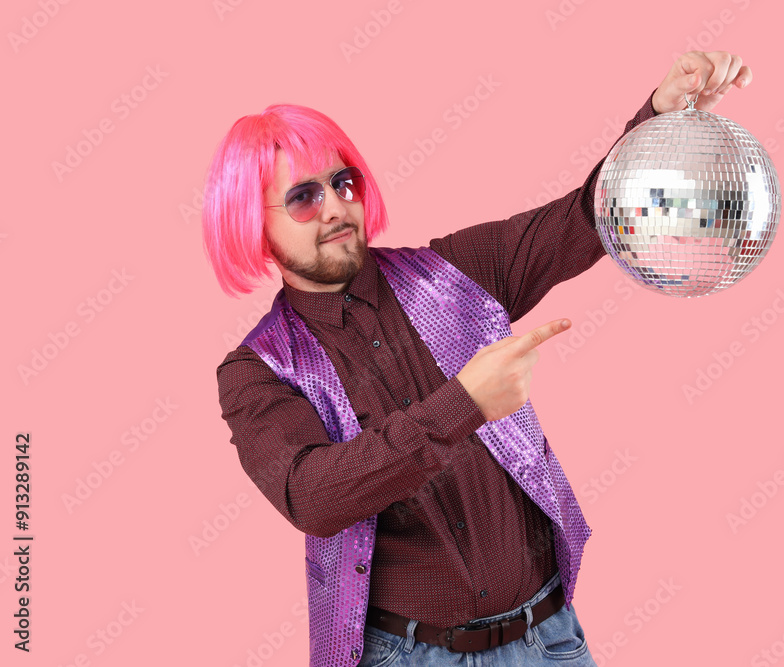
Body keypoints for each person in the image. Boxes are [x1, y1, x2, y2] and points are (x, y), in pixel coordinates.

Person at [204, 50, 752, 667]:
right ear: (254, 223)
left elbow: (578, 220)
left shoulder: (454, 273)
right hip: (409, 655)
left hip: (550, 637)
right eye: (303, 197)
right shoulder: (256, 372)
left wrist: (655, 122)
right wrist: (465, 404)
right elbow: (315, 497)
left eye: (343, 182)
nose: (335, 207)